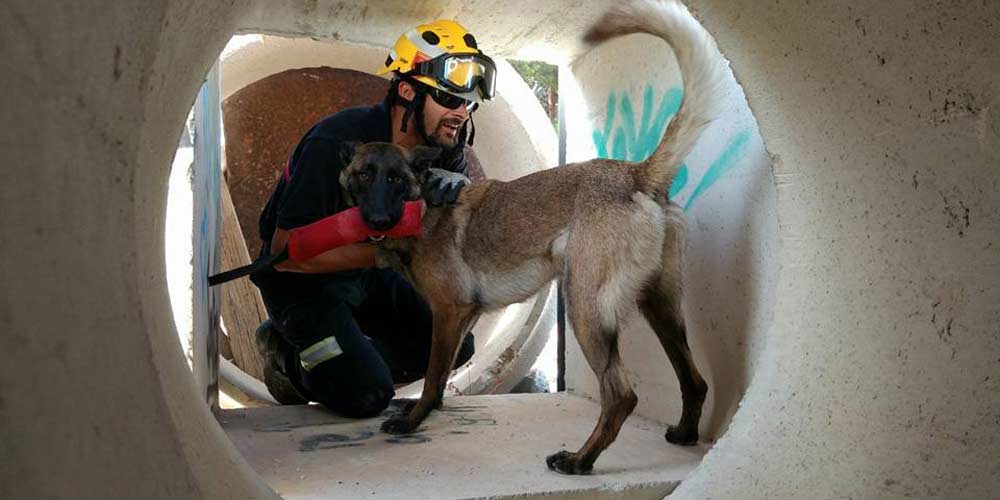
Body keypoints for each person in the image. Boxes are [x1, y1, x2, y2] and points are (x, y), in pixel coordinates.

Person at [249, 19, 498, 418]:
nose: (461, 112)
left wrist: (460, 182)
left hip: (367, 273)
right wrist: (387, 255)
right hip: (300, 282)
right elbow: (284, 254)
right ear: (406, 90)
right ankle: (288, 359)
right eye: (450, 100)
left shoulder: (442, 147)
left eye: (468, 104)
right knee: (366, 396)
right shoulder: (335, 141)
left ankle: (352, 354)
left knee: (454, 344)